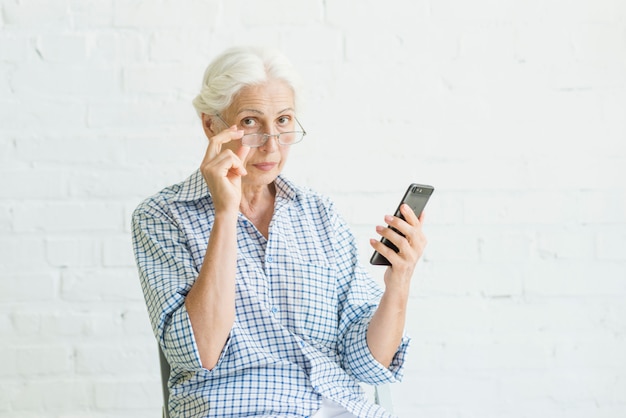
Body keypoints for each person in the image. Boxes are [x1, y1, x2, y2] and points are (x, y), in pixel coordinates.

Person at [131, 45, 427, 418]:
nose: (272, 144)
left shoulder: (318, 213)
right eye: (251, 122)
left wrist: (399, 281)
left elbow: (366, 364)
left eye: (284, 120)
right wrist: (225, 213)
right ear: (211, 125)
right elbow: (200, 353)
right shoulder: (163, 216)